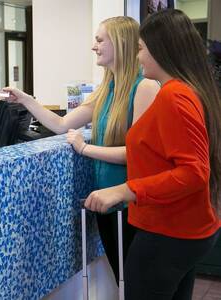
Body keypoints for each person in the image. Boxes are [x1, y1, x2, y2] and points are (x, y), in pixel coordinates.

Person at [4, 16, 160, 284]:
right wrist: (27, 100)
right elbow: (61, 124)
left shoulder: (144, 88)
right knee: (124, 280)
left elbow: (135, 154)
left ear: (120, 43)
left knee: (138, 285)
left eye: (100, 40)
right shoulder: (105, 89)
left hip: (131, 204)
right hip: (107, 206)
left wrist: (85, 148)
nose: (94, 46)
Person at [83, 9, 221, 299]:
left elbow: (194, 172)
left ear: (161, 50)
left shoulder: (174, 96)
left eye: (142, 49)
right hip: (185, 229)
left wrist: (126, 189)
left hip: (170, 230)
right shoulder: (187, 90)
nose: (138, 57)